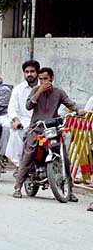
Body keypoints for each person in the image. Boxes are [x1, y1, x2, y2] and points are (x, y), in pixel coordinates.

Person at [13, 67, 81, 200]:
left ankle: (69, 190)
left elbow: (69, 103)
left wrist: (78, 111)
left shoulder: (59, 92)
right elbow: (28, 106)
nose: (43, 81)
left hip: (53, 129)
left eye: (46, 79)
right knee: (28, 155)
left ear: (52, 78)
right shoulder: (35, 91)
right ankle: (17, 187)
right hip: (37, 128)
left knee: (65, 158)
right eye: (41, 79)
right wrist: (39, 91)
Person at [5, 60, 40, 169]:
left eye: (32, 71)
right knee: (16, 131)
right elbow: (12, 108)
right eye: (27, 72)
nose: (29, 74)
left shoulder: (44, 87)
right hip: (24, 121)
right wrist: (16, 120)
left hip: (41, 121)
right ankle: (21, 167)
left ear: (37, 73)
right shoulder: (18, 89)